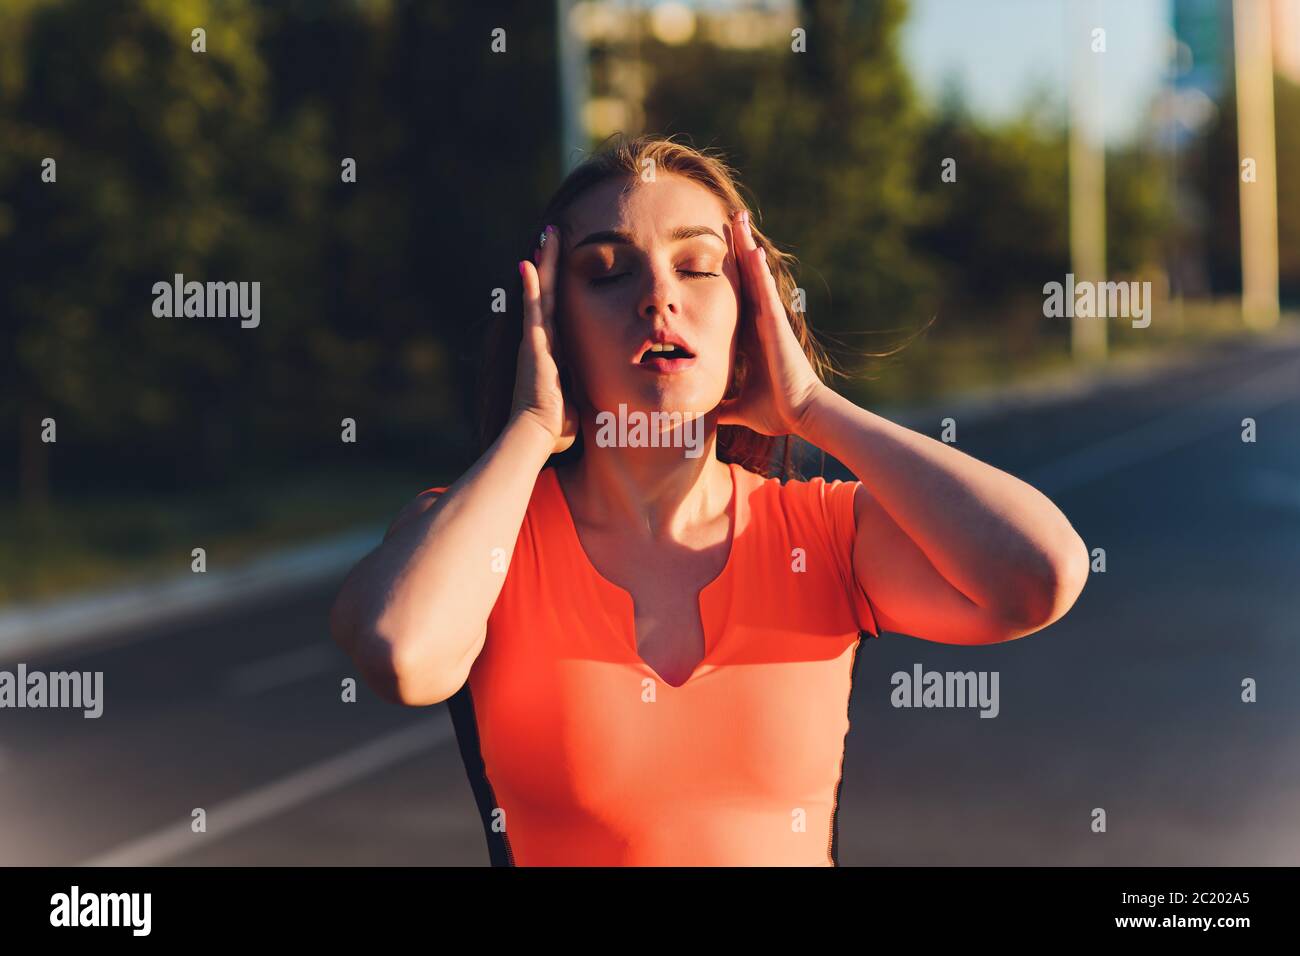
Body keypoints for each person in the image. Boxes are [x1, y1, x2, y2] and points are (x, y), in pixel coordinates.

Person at [329, 135, 1089, 866]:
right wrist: (531, 429)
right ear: (551, 327)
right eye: (607, 272)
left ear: (749, 314)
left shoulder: (822, 534)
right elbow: (404, 653)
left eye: (697, 267)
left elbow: (1040, 576)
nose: (659, 295)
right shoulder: (483, 540)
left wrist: (813, 406)